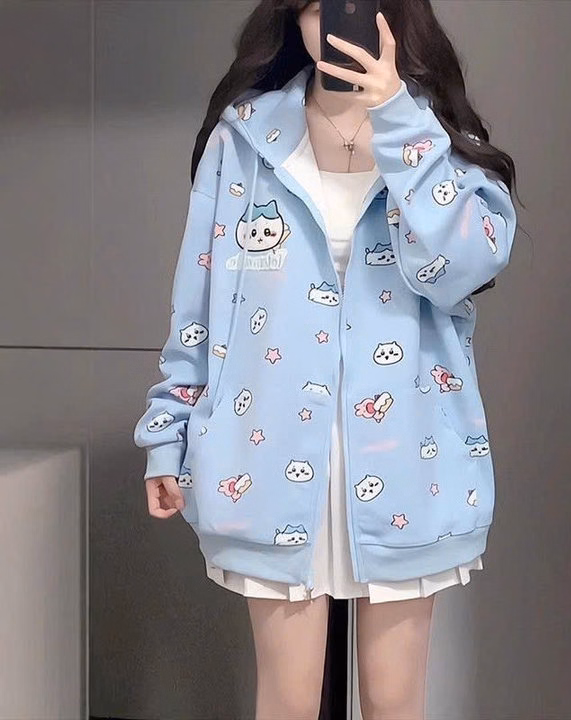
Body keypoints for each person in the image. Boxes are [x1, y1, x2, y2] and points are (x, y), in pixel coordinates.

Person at [133, 1, 518, 717]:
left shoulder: (435, 133)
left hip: (409, 461)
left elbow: (466, 263)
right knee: (285, 701)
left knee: (395, 701)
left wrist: (399, 119)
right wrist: (167, 431)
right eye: (319, 5)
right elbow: (199, 300)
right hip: (267, 453)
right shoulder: (245, 138)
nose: (336, 23)